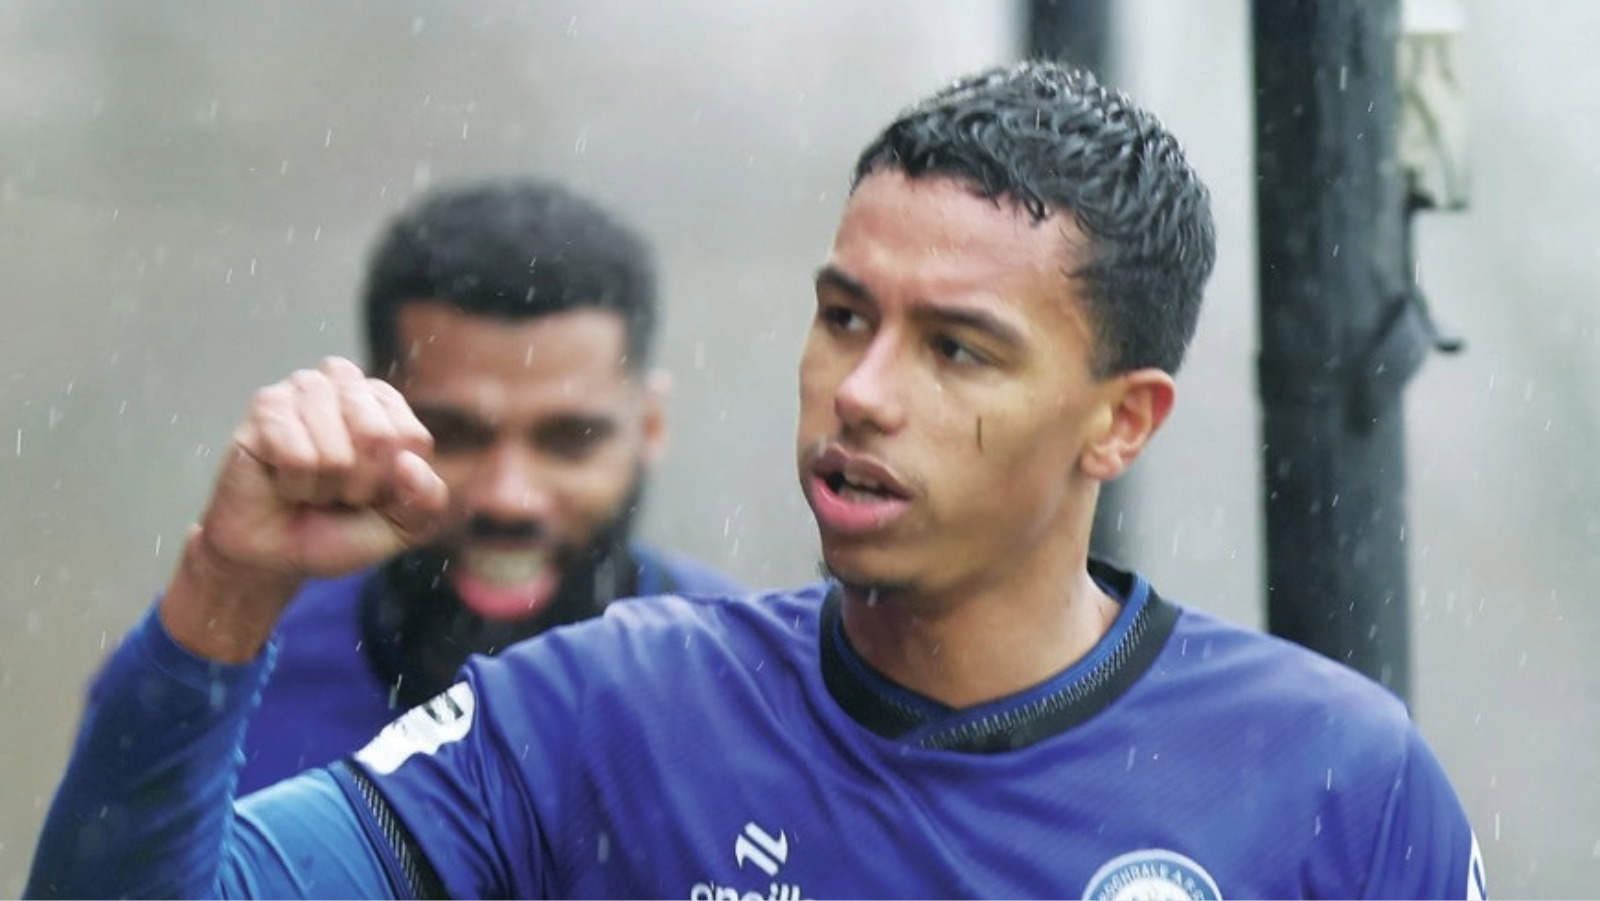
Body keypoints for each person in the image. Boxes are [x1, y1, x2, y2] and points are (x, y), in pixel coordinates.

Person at [27, 61, 1485, 900]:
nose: (860, 389)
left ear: (1122, 424)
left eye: (958, 350)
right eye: (846, 315)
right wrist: (227, 591)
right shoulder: (608, 711)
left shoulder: (1336, 786)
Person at [151, 176, 746, 794]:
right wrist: (224, 593)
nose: (508, 498)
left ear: (649, 427)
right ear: (370, 411)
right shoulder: (225, 673)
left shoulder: (754, 691)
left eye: (569, 441)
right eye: (452, 435)